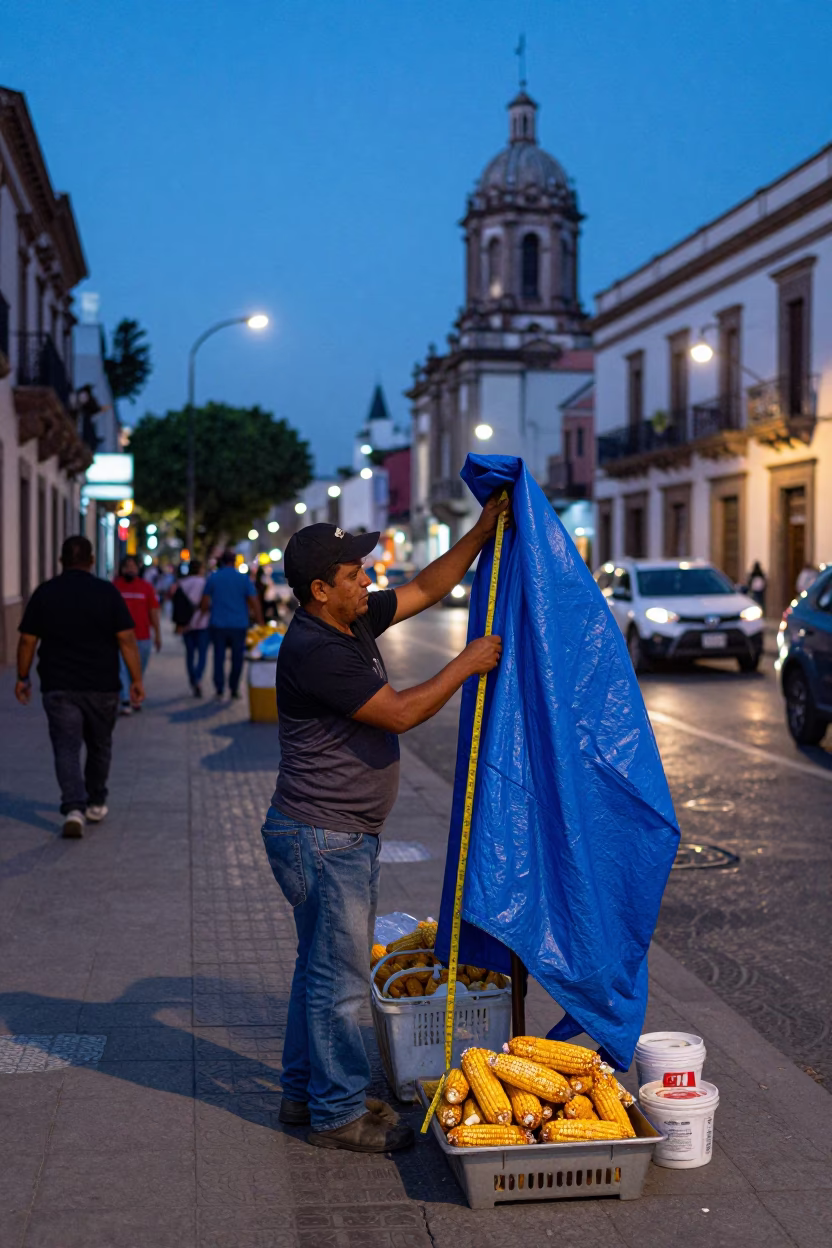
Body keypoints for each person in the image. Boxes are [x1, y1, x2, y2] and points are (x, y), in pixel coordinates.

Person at [262, 497, 508, 1153]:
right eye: (354, 573)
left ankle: (302, 1093)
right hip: (323, 836)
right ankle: (338, 1112)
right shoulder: (317, 649)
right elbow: (398, 713)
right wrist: (465, 663)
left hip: (330, 831)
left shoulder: (350, 622)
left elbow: (429, 586)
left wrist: (480, 532)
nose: (367, 580)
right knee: (339, 981)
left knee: (315, 971)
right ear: (321, 589)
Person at [15, 536, 145, 839]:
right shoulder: (107, 592)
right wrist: (136, 681)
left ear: (61, 560)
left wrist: (23, 677)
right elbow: (126, 639)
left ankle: (73, 807)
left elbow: (27, 641)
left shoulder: (45, 593)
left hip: (58, 685)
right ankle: (96, 801)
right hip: (103, 686)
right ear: (91, 560)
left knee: (66, 746)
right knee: (100, 745)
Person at [201, 550, 264, 699]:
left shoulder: (214, 577)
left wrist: (206, 611)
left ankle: (219, 688)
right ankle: (234, 688)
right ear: (235, 561)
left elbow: (204, 602)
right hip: (239, 625)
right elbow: (254, 601)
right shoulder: (243, 579)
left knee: (219, 657)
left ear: (221, 561)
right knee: (237, 658)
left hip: (218, 624)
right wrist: (260, 621)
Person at [113, 555, 161, 714]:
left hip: (142, 637)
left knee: (138, 670)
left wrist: (158, 634)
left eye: (133, 566)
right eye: (127, 566)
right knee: (121, 669)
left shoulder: (146, 587)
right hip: (119, 638)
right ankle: (125, 699)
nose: (130, 569)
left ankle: (135, 697)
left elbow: (153, 611)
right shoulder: (114, 587)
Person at [173, 559, 211, 696]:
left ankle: (192, 679)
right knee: (202, 654)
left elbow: (175, 603)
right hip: (202, 623)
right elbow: (207, 603)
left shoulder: (181, 583)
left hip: (186, 624)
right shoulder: (204, 582)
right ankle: (198, 678)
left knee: (189, 654)